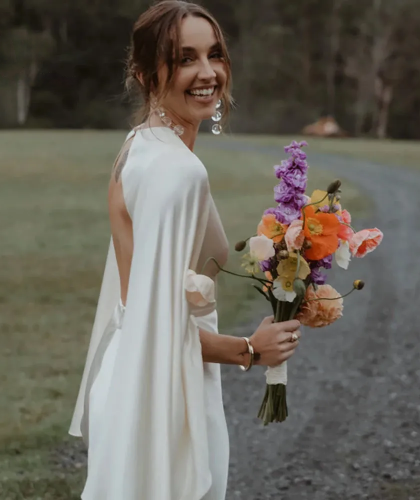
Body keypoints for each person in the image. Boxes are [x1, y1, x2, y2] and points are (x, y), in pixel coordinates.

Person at [68, 2, 301, 499]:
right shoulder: (177, 171)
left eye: (214, 54)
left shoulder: (141, 145)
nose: (207, 73)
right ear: (145, 74)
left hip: (141, 382)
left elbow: (146, 304)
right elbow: (157, 325)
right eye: (184, 58)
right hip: (159, 401)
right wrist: (250, 350)